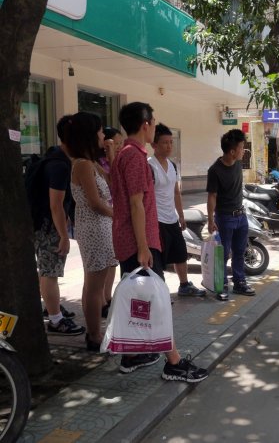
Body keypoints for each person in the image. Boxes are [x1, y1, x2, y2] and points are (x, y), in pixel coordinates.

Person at [111, 101, 208, 382]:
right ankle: (174, 363)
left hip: (131, 239)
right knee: (157, 300)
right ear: (145, 124)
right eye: (153, 122)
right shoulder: (135, 156)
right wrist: (143, 246)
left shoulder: (124, 154)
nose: (154, 127)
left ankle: (131, 356)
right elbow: (136, 204)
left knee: (140, 300)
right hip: (138, 241)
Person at [65, 112, 119, 351]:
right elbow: (96, 202)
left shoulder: (91, 162)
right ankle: (94, 335)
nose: (102, 136)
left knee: (94, 283)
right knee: (94, 287)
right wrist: (120, 216)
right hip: (94, 227)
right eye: (99, 132)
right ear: (89, 135)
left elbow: (112, 180)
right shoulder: (83, 165)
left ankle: (95, 332)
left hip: (100, 227)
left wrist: (110, 153)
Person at [34, 116, 85, 335]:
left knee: (47, 271)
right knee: (50, 272)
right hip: (47, 225)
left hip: (43, 222)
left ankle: (51, 308)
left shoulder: (57, 157)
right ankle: (55, 320)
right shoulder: (59, 165)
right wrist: (64, 235)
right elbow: (55, 205)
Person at [148, 123, 206, 297]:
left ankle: (184, 285)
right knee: (159, 259)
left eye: (171, 142)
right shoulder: (149, 166)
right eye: (165, 142)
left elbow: (176, 192)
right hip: (156, 220)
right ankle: (160, 292)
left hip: (172, 218)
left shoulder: (172, 166)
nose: (169, 146)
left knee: (181, 253)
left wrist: (181, 215)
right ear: (154, 145)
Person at [207, 129, 255, 301]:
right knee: (223, 254)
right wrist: (211, 220)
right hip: (225, 217)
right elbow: (212, 196)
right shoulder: (215, 170)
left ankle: (239, 282)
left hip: (241, 216)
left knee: (240, 251)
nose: (244, 150)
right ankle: (221, 286)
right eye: (242, 147)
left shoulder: (237, 163)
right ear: (232, 151)